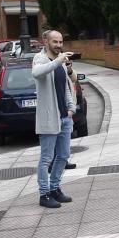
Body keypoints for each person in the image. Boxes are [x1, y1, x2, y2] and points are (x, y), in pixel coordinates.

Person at [32, 30, 75, 208]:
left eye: (60, 42)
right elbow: (37, 73)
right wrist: (58, 61)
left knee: (64, 155)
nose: (58, 45)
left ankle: (55, 187)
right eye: (55, 42)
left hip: (64, 117)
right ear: (46, 42)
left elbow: (65, 85)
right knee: (46, 158)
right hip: (49, 118)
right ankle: (44, 194)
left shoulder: (61, 62)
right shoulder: (40, 59)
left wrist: (71, 106)